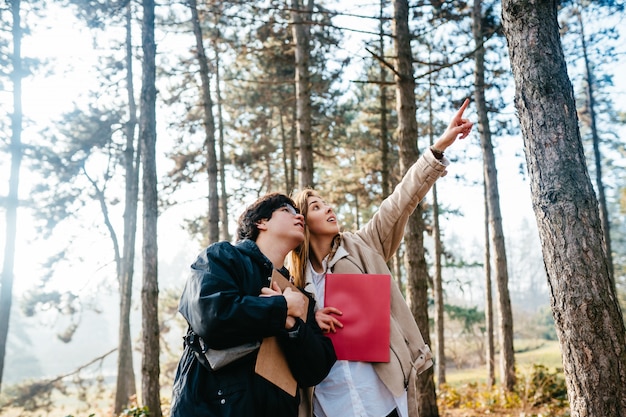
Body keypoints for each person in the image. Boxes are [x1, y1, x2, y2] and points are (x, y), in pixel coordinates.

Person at [289, 99, 474, 417]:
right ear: (302, 223)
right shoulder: (292, 281)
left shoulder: (363, 246)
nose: (329, 208)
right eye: (317, 207)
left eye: (327, 203)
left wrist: (440, 146)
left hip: (381, 397)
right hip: (329, 402)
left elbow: (400, 200)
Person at [170, 193, 337, 417]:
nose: (298, 216)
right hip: (212, 409)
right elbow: (211, 316)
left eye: (298, 212)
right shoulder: (222, 257)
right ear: (261, 222)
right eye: (287, 211)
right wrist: (281, 308)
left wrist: (293, 326)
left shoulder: (299, 297)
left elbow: (316, 370)